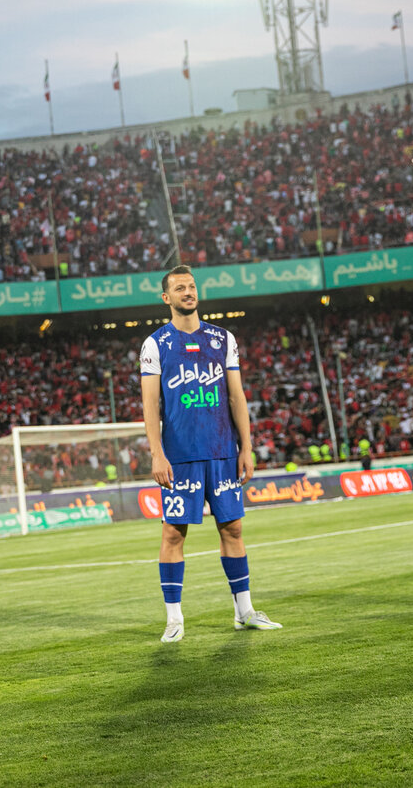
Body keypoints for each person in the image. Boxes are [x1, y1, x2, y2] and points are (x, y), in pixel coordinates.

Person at [139, 265, 282, 643]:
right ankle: (174, 619)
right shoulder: (155, 344)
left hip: (222, 452)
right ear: (166, 298)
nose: (188, 292)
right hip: (180, 455)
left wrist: (246, 447)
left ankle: (245, 612)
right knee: (173, 534)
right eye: (179, 288)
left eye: (191, 286)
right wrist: (157, 453)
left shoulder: (223, 339)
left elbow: (236, 396)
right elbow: (150, 404)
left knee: (233, 528)